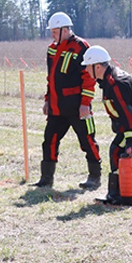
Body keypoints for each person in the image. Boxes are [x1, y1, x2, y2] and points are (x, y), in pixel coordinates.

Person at [35, 12, 102, 189]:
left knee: (87, 140)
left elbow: (89, 78)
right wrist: (47, 100)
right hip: (57, 108)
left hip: (77, 107)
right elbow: (51, 78)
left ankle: (94, 177)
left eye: (54, 32)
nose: (52, 35)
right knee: (49, 141)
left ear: (65, 30)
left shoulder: (81, 47)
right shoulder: (51, 49)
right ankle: (46, 178)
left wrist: (85, 103)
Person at [81, 46, 132, 204]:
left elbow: (127, 112)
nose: (86, 69)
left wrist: (130, 139)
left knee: (116, 150)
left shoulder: (115, 82)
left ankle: (117, 193)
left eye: (88, 66)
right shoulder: (108, 80)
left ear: (98, 67)